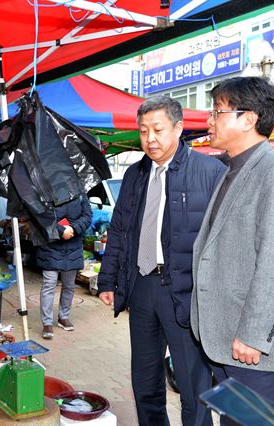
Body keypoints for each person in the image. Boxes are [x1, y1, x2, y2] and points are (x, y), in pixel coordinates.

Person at [190, 77, 274, 419]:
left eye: (218, 111)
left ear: (248, 119)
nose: (209, 120)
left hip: (256, 350)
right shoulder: (231, 169)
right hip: (226, 339)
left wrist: (252, 335)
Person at [98, 96, 226, 426]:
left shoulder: (210, 171)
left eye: (158, 130)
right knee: (145, 380)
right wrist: (107, 279)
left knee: (191, 385)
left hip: (184, 291)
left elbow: (224, 240)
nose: (150, 139)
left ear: (178, 128)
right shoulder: (134, 175)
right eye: (143, 131)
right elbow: (119, 229)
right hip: (142, 287)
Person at [37, 194, 91, 339]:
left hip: (73, 245)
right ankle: (47, 322)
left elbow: (87, 216)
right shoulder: (46, 191)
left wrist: (73, 229)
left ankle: (63, 317)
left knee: (69, 285)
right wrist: (62, 230)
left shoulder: (80, 193)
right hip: (51, 245)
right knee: (49, 284)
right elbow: (42, 216)